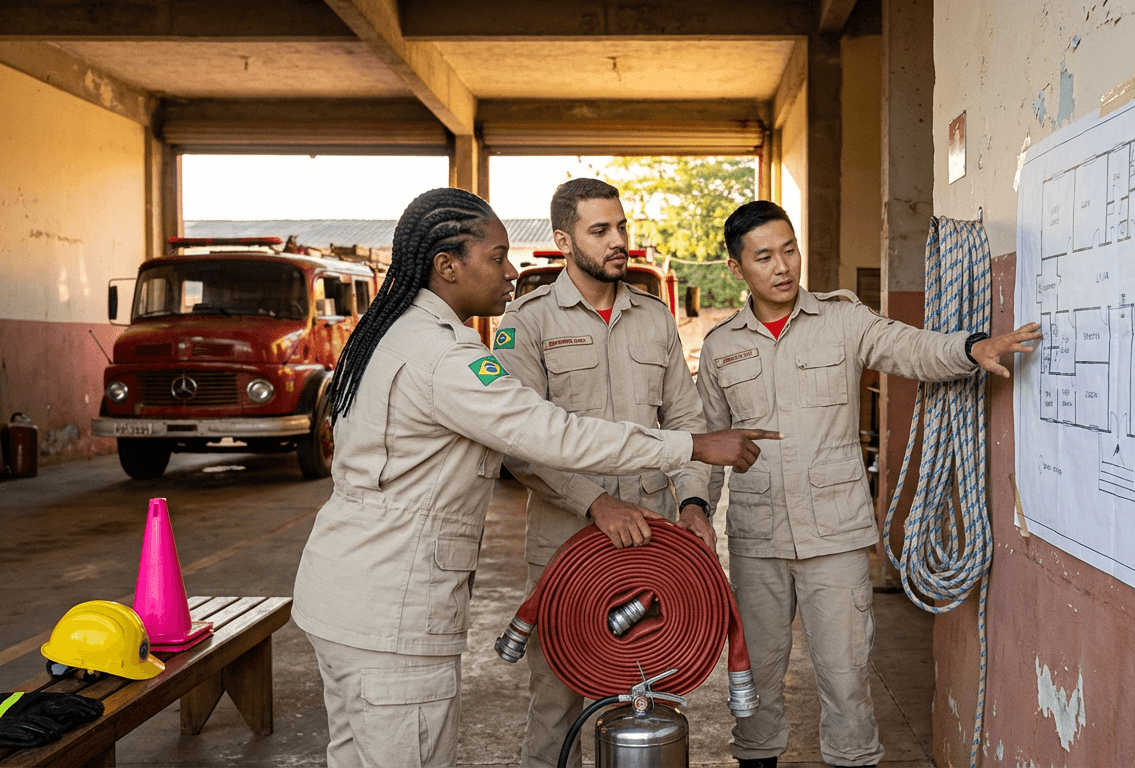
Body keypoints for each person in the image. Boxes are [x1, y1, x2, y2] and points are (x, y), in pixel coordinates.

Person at [290, 188, 779, 768]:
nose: (511, 271)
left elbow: (667, 411)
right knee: (528, 715)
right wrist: (692, 446)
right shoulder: (449, 356)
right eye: (497, 258)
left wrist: (692, 496)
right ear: (447, 266)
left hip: (354, 594)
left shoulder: (401, 332)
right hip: (393, 605)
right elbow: (545, 434)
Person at [696, 201, 1040, 768]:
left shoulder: (842, 319)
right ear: (737, 268)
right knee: (754, 678)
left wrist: (970, 348)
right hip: (758, 539)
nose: (782, 266)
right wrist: (695, 513)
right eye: (764, 257)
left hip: (835, 535)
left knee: (846, 678)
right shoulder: (720, 346)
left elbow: (910, 347)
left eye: (789, 250)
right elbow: (706, 444)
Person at [493, 178, 714, 767]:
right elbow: (518, 441)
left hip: (650, 545)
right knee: (556, 705)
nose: (619, 240)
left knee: (646, 700)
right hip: (566, 545)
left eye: (621, 226)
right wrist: (596, 503)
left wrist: (694, 503)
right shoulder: (527, 322)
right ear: (565, 240)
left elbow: (686, 422)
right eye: (600, 230)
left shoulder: (654, 317)